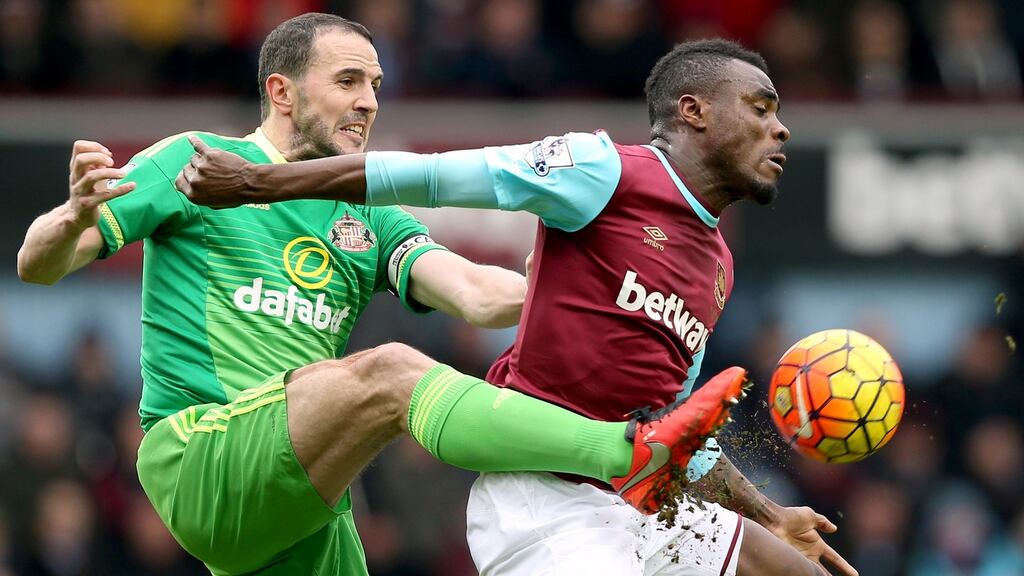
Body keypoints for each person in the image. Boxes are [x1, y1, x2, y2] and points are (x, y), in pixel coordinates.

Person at [16, 14, 744, 576]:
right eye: (348, 82)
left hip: (302, 487)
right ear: (281, 91)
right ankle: (626, 453)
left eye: (375, 86)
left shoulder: (366, 216)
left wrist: (596, 292)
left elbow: (473, 292)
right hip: (203, 452)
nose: (368, 102)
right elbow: (39, 263)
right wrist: (71, 217)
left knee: (385, 382)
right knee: (392, 371)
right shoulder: (199, 163)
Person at [178, 38, 860, 576]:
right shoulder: (604, 170)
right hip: (545, 502)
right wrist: (260, 181)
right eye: (762, 108)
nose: (782, 131)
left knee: (786, 567)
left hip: (636, 497)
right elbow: (428, 176)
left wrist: (769, 514)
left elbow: (673, 429)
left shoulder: (718, 264)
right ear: (694, 110)